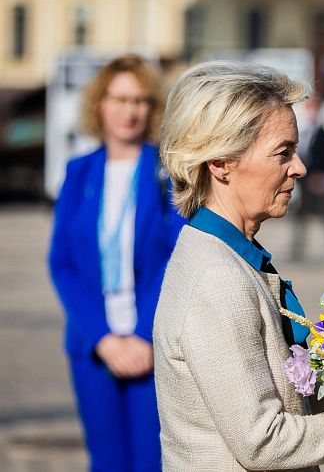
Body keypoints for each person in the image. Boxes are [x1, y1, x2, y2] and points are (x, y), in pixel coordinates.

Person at [154, 61, 324, 471]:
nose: (298, 167)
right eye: (283, 152)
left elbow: (286, 393)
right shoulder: (218, 278)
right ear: (221, 162)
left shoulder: (233, 256)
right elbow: (260, 440)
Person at [48, 54, 186, 472]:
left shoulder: (167, 173)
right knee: (105, 461)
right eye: (120, 99)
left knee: (150, 461)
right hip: (93, 346)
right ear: (100, 104)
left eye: (141, 101)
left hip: (151, 344)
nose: (130, 110)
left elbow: (176, 258)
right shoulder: (78, 172)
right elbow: (62, 263)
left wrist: (143, 336)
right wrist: (103, 337)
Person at [290, 95, 324, 260]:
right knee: (301, 213)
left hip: (318, 178)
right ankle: (297, 247)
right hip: (305, 179)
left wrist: (323, 175)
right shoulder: (302, 131)